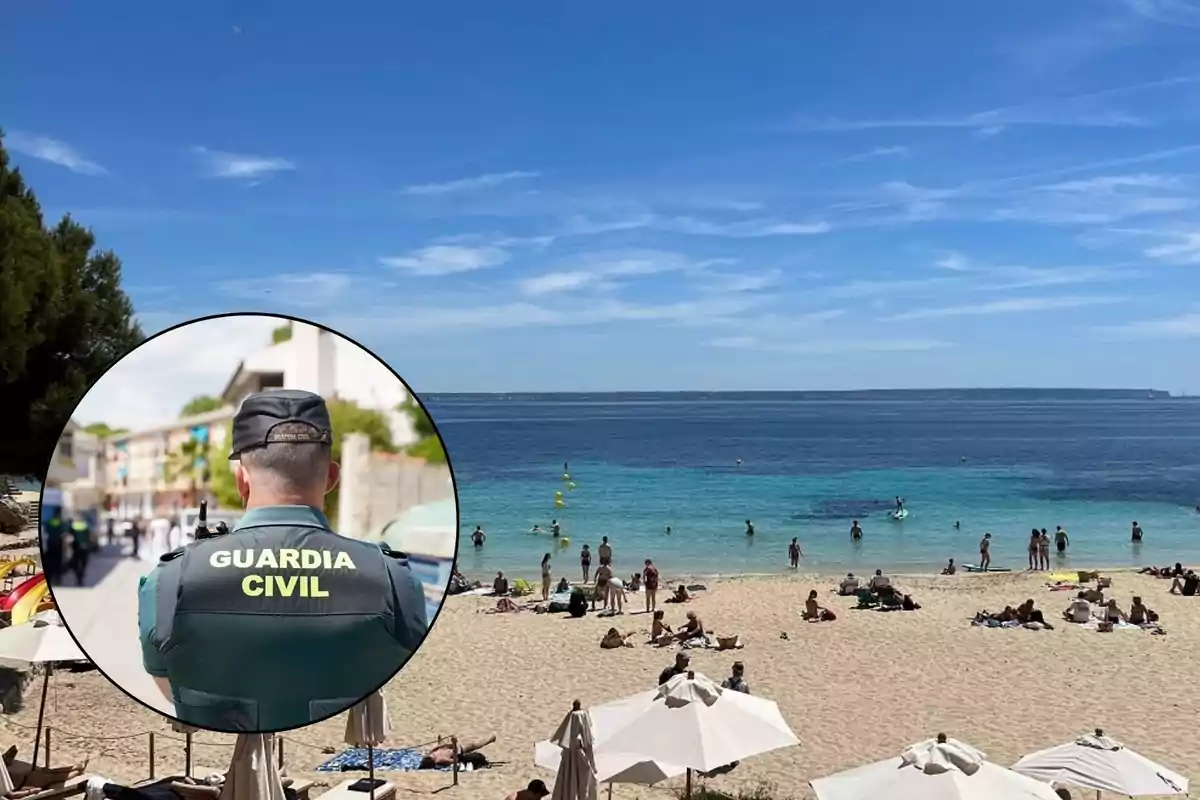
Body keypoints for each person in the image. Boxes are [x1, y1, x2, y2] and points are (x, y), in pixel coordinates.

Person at [138, 389, 428, 731]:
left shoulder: (170, 581)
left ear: (241, 480)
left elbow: (171, 688)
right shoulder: (395, 580)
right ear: (332, 477)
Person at [422, 735, 496, 769]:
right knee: (473, 745)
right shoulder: (431, 755)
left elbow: (453, 760)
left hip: (454, 748)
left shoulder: (438, 759)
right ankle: (489, 740)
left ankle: (490, 740)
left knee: (473, 745)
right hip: (454, 749)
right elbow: (455, 760)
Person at [41, 508, 65, 586]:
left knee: (49, 563)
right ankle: (57, 579)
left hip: (50, 543)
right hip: (58, 543)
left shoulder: (49, 521)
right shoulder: (61, 523)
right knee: (58, 562)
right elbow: (63, 532)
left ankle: (49, 579)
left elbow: (46, 531)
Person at [68, 517, 92, 586]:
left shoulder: (73, 526)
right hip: (85, 548)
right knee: (83, 564)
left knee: (76, 564)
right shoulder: (86, 526)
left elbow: (70, 537)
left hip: (76, 548)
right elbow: (89, 536)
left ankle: (78, 577)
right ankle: (81, 578)